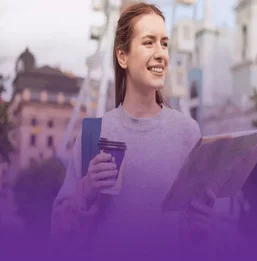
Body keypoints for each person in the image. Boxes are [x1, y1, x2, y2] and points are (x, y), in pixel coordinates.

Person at [51, 2, 233, 260]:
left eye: (165, 43)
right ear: (122, 56)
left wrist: (202, 230)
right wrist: (87, 190)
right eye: (149, 42)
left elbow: (198, 245)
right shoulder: (94, 134)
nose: (161, 53)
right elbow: (59, 238)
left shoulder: (188, 134)